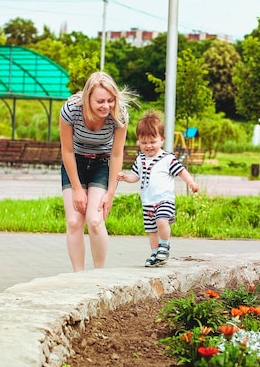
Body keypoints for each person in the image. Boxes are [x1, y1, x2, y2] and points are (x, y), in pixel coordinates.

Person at [60, 71, 134, 272]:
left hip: (102, 163)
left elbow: (117, 154)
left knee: (95, 220)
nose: (106, 106)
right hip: (75, 163)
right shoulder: (71, 110)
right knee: (75, 221)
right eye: (100, 101)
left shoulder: (119, 114)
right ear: (87, 98)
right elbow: (66, 150)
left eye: (110, 100)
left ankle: (98, 276)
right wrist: (76, 188)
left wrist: (110, 193)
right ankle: (79, 276)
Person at [117, 109, 199, 267]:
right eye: (143, 142)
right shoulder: (140, 159)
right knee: (151, 230)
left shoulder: (167, 158)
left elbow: (181, 171)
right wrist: (126, 177)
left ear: (162, 139)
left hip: (164, 200)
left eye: (152, 142)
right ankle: (155, 254)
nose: (148, 146)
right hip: (147, 202)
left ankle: (164, 245)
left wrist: (191, 183)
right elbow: (136, 176)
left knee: (161, 221)